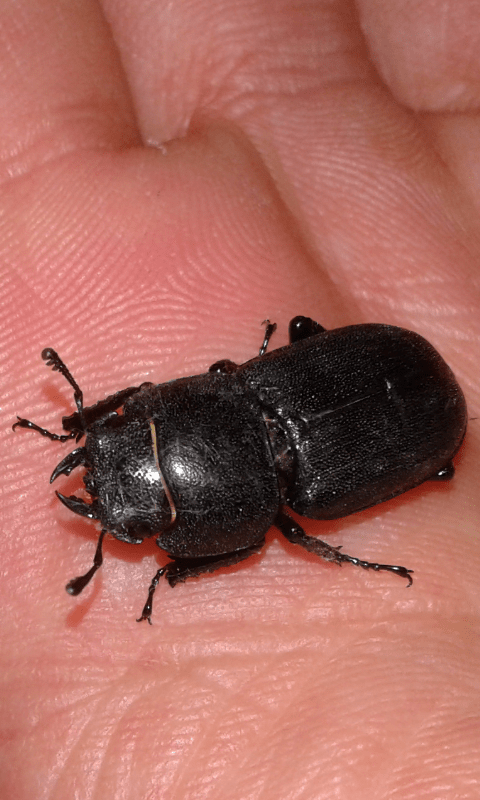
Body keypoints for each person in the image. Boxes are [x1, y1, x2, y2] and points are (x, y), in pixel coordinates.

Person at [1, 1, 478, 797]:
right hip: (339, 380)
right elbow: (232, 504)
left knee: (414, 477)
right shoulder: (243, 391)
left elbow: (249, 538)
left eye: (119, 427)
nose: (118, 478)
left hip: (391, 401)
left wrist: (168, 575)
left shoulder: (282, 488)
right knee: (316, 383)